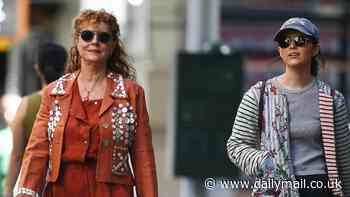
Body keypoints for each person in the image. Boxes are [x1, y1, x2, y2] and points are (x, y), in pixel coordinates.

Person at [14, 9, 158, 197]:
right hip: (62, 190)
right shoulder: (55, 93)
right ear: (77, 41)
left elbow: (143, 157)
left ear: (113, 45)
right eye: (87, 35)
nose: (95, 42)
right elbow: (37, 153)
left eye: (103, 37)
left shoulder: (132, 93)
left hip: (112, 192)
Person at [226, 17, 350, 197]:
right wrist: (263, 161)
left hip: (319, 188)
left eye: (300, 40)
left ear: (315, 48)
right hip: (275, 187)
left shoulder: (332, 99)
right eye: (285, 42)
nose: (292, 46)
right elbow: (236, 146)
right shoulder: (258, 95)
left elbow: (344, 159)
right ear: (280, 50)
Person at [3, 42, 67, 197]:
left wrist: (8, 191)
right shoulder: (75, 102)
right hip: (68, 185)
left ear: (37, 68)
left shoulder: (26, 105)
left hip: (35, 187)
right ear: (66, 67)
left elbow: (16, 156)